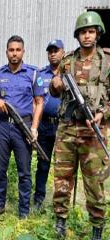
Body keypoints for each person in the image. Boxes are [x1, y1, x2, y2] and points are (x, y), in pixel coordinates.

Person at [50, 12, 109, 239]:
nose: (87, 36)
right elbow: (53, 90)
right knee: (62, 178)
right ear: (77, 35)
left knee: (94, 182)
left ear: (98, 33)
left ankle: (97, 227)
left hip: (93, 131)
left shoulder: (106, 62)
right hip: (67, 128)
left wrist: (103, 114)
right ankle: (60, 222)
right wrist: (55, 84)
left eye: (91, 31)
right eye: (83, 32)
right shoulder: (67, 62)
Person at [0, 35, 44, 219]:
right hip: (3, 125)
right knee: (0, 169)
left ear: (23, 52)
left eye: (18, 50)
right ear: (6, 52)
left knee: (24, 172)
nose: (14, 53)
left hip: (24, 126)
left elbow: (39, 102)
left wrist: (34, 128)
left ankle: (24, 211)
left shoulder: (33, 73)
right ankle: (0, 205)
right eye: (11, 50)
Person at [33, 39, 64, 209]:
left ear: (63, 52)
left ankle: (60, 202)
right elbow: (35, 101)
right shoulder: (41, 74)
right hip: (44, 126)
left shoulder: (69, 73)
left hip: (63, 126)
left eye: (56, 50)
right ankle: (38, 198)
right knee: (43, 164)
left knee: (62, 166)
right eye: (50, 51)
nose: (53, 54)